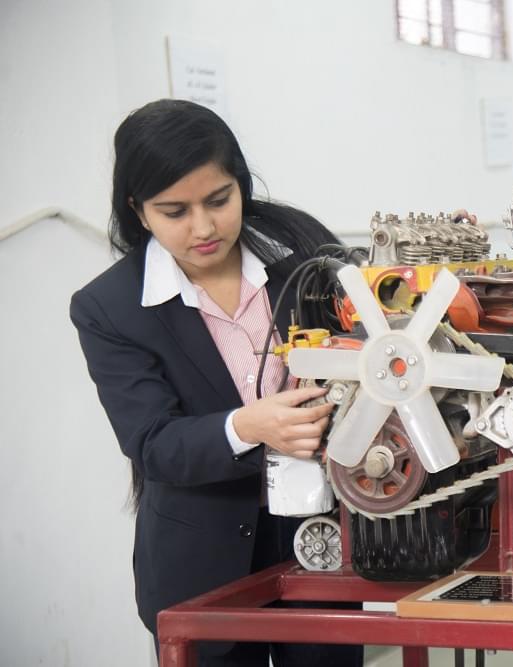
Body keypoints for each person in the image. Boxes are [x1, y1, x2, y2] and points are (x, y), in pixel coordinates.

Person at [70, 99, 364, 666]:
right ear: (138, 211)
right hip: (198, 565)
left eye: (219, 200)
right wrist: (246, 426)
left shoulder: (304, 254)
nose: (203, 228)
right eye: (174, 210)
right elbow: (153, 444)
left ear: (241, 184)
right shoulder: (109, 307)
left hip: (320, 545)